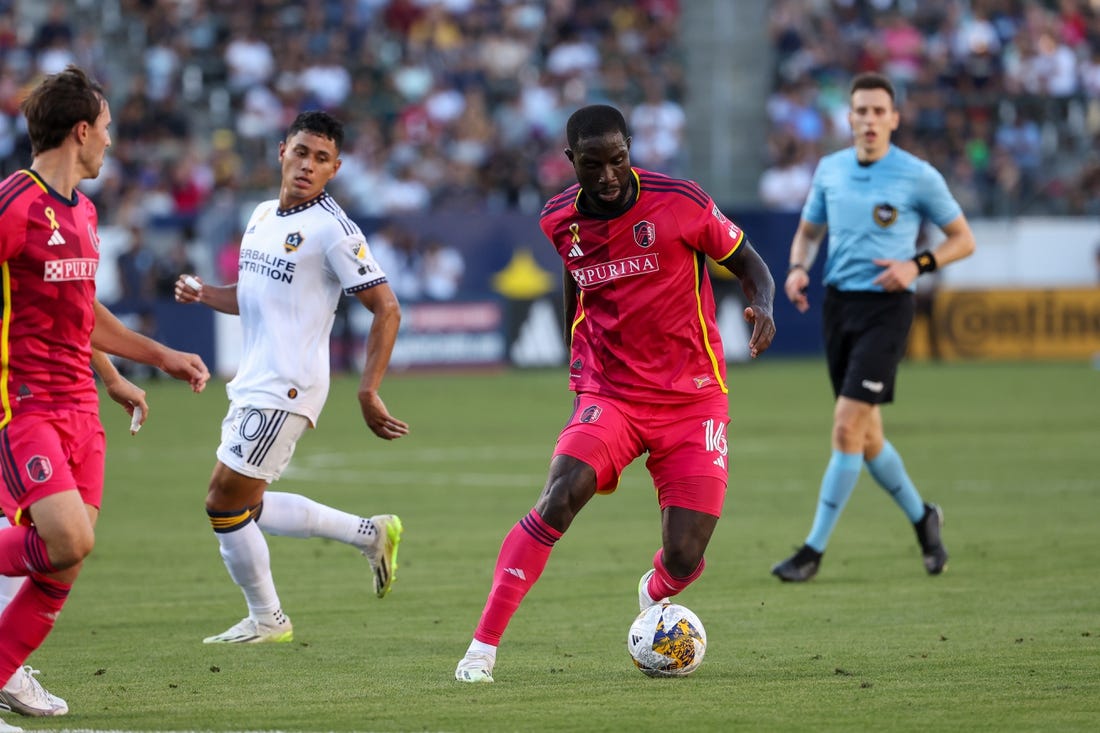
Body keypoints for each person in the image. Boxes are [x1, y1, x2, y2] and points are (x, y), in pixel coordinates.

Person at [454, 104, 776, 683]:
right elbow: (574, 280)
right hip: (611, 393)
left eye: (618, 160)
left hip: (693, 398)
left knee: (686, 555)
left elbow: (750, 262)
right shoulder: (558, 219)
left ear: (630, 149)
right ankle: (481, 650)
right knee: (560, 494)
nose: (607, 176)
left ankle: (655, 590)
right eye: (593, 164)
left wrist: (765, 306)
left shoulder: (681, 201)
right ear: (570, 159)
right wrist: (574, 365)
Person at [0, 65, 210, 729]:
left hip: (81, 407)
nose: (112, 141)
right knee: (65, 538)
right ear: (81, 131)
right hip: (25, 403)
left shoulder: (85, 213)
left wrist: (140, 365)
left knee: (67, 557)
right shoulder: (14, 204)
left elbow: (80, 311)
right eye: (107, 128)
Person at [174, 110, 407, 645]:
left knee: (222, 501)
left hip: (289, 384)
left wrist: (368, 388)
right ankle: (370, 533)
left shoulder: (333, 231)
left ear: (334, 169)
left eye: (321, 159)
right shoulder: (261, 215)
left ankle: (268, 619)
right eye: (301, 152)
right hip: (254, 379)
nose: (308, 165)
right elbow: (252, 295)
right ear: (282, 151)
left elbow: (387, 308)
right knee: (247, 503)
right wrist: (204, 293)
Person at [772, 72, 976, 583]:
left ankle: (812, 551)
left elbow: (963, 239)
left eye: (878, 111)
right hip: (839, 307)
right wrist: (797, 269)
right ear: (849, 118)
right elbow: (808, 233)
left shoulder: (917, 175)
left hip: (888, 309)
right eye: (861, 111)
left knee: (846, 425)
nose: (869, 120)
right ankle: (924, 518)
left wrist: (917, 265)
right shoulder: (830, 169)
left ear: (894, 119)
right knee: (867, 438)